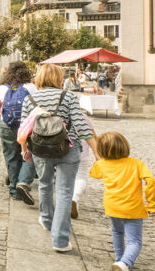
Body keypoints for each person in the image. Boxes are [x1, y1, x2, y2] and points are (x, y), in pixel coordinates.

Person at [19, 64, 99, 253]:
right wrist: (96, 151)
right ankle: (61, 240)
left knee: (45, 185)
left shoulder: (30, 98)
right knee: (64, 192)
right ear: (58, 78)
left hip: (40, 149)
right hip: (68, 148)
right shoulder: (68, 96)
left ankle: (46, 220)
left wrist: (24, 149)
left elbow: (24, 128)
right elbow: (80, 124)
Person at [90, 131, 155, 271]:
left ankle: (119, 260)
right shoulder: (136, 164)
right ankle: (124, 264)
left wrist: (99, 157)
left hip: (112, 207)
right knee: (135, 241)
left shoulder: (102, 165)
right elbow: (151, 182)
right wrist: (152, 204)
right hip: (132, 209)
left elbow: (93, 173)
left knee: (117, 233)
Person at [0, 61, 37, 205]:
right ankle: (23, 182)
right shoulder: (31, 87)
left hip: (6, 125)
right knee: (29, 154)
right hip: (27, 126)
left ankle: (14, 190)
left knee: (11, 157)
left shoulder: (1, 88)